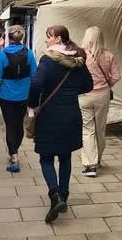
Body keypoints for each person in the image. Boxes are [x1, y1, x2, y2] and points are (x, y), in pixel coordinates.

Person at [29, 25, 93, 223]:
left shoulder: (47, 60)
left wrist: (32, 104)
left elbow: (36, 83)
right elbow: (88, 85)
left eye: (49, 37)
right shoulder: (78, 60)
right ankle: (64, 196)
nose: (47, 40)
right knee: (65, 157)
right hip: (72, 114)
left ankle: (55, 195)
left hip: (49, 115)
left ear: (57, 39)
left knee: (46, 158)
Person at [0, 25, 37, 172]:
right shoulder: (29, 53)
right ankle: (14, 149)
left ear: (8, 38)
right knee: (18, 124)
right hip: (24, 94)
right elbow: (34, 74)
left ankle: (14, 157)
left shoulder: (3, 54)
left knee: (10, 125)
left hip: (6, 96)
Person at [79, 26, 121, 178]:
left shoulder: (81, 56)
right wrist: (107, 83)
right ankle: (98, 159)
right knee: (100, 128)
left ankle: (90, 164)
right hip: (102, 95)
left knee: (87, 129)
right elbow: (116, 76)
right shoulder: (109, 55)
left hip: (84, 95)